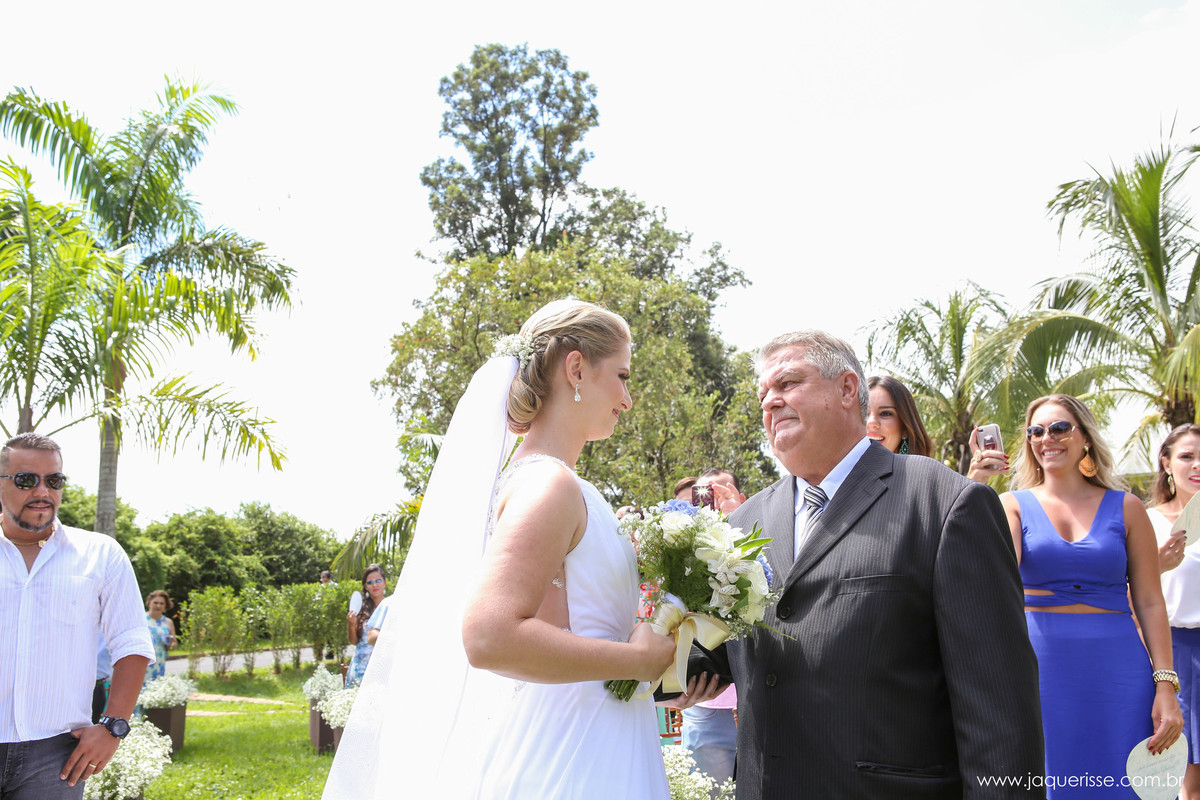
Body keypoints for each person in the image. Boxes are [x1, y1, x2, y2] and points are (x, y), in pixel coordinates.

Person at [324, 299, 710, 799]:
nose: (627, 398)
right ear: (576, 368)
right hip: (569, 756)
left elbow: (568, 625)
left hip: (598, 736)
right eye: (622, 375)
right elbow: (490, 636)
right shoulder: (549, 486)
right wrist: (634, 661)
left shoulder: (554, 482)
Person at [696, 331, 1044, 798]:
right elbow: (716, 655)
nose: (771, 403)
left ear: (846, 390)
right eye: (763, 395)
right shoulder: (744, 523)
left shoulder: (944, 504)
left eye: (788, 383)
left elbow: (1000, 708)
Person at [1000, 395, 1182, 797]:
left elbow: (1151, 601)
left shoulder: (1128, 507)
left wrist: (1165, 686)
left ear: (1085, 437)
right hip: (1040, 670)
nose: (1047, 438)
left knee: (1124, 783)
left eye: (1060, 428)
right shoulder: (1009, 506)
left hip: (1121, 673)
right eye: (1036, 431)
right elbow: (994, 586)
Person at [0, 432, 154, 798]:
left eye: (54, 481)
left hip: (55, 756)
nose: (42, 491)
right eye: (26, 480)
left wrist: (113, 726)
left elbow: (131, 643)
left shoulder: (101, 555)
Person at [680, 468, 745, 796]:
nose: (716, 501)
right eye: (708, 494)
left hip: (756, 705)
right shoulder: (689, 552)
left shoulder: (757, 536)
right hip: (707, 706)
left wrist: (738, 523)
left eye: (724, 491)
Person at [1145, 423, 1200, 797]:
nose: (1197, 465)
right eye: (1187, 456)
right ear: (1166, 463)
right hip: (1170, 655)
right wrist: (1158, 565)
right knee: (1179, 772)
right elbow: (1126, 593)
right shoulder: (1144, 520)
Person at [866, 375, 933, 457]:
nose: (871, 422)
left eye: (885, 413)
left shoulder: (926, 469)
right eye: (863, 413)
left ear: (905, 428)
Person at [344, 565, 387, 687]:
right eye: (370, 582)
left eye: (378, 580)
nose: (374, 585)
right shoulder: (360, 609)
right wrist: (351, 625)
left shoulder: (391, 606)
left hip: (383, 665)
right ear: (365, 586)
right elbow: (353, 641)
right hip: (360, 667)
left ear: (385, 582)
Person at [143, 590, 177, 685]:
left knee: (156, 687)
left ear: (165, 606)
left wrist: (171, 644)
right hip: (144, 660)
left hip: (159, 661)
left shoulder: (168, 622)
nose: (158, 606)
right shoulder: (142, 619)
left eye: (162, 603)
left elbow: (173, 644)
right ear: (149, 603)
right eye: (155, 603)